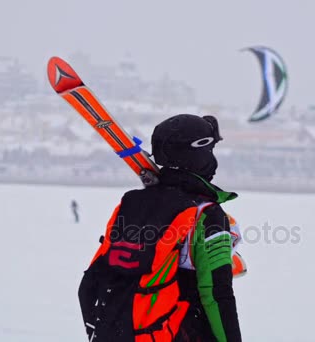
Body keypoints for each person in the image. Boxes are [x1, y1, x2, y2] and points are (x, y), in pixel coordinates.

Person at [78, 114, 241, 342]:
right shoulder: (208, 215)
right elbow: (216, 294)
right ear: (196, 155)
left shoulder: (131, 204)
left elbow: (93, 279)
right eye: (209, 151)